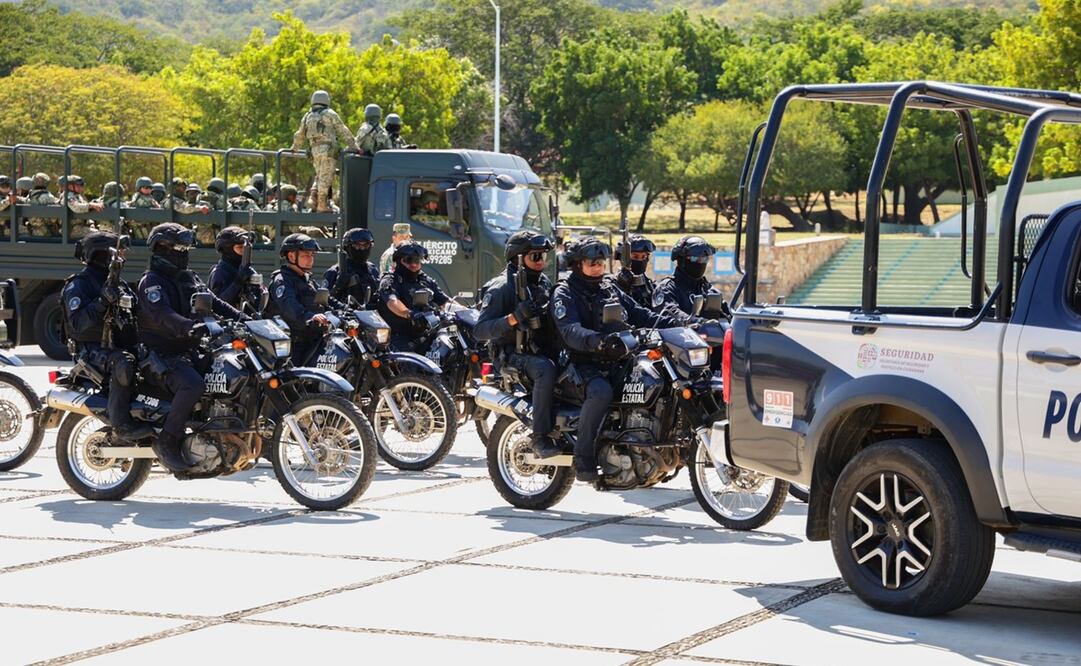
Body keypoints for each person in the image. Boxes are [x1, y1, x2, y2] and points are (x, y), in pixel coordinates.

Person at [551, 237, 693, 482]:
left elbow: (640, 313)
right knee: (601, 392)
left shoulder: (608, 287)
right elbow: (570, 330)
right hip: (579, 364)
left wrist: (682, 324)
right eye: (591, 262)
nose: (597, 267)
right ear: (577, 264)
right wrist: (598, 341)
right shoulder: (565, 292)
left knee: (656, 383)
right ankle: (583, 457)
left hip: (617, 359)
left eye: (600, 262)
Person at [137, 223, 245, 472]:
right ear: (162, 248)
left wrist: (244, 319)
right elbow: (162, 314)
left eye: (187, 248)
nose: (184, 253)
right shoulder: (151, 282)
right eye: (179, 247)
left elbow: (214, 301)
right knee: (192, 385)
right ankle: (168, 441)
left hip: (189, 348)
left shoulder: (187, 276)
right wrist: (189, 326)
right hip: (161, 354)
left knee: (231, 370)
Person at [61, 231, 153, 442]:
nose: (123, 256)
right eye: (119, 251)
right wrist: (102, 302)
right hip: (92, 351)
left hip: (118, 346)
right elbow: (77, 324)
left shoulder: (118, 284)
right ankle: (121, 425)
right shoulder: (79, 284)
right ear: (103, 254)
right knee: (124, 363)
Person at [475, 230, 560, 458]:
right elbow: (480, 330)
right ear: (518, 258)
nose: (541, 261)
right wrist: (513, 318)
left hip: (540, 347)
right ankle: (540, 436)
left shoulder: (542, 282)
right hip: (512, 353)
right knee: (545, 370)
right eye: (535, 256)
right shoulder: (502, 287)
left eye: (543, 256)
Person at [265, 233, 334, 365]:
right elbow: (290, 306)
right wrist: (310, 317)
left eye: (312, 255)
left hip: (312, 338)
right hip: (293, 343)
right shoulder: (282, 280)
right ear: (291, 256)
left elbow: (326, 298)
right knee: (294, 380)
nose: (310, 259)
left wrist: (347, 310)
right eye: (305, 255)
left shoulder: (307, 279)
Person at [376, 241, 452, 351]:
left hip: (427, 334)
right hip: (399, 337)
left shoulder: (424, 280)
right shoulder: (390, 280)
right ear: (399, 260)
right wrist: (411, 314)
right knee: (410, 365)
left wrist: (466, 312)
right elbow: (393, 302)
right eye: (409, 260)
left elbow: (445, 301)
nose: (414, 264)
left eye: (417, 260)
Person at [290, 90, 357, 213]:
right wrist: (355, 146)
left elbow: (299, 134)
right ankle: (321, 205)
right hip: (328, 151)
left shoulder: (307, 116)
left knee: (320, 175)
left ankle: (312, 199)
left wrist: (295, 148)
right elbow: (343, 130)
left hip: (314, 151)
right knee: (326, 178)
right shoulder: (330, 114)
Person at [653, 235, 723, 315]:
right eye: (694, 258)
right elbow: (670, 313)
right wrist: (694, 322)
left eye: (704, 259)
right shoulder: (667, 289)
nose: (700, 262)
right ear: (681, 259)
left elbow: (729, 317)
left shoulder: (709, 291)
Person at [207, 226, 265, 314]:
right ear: (227, 250)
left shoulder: (247, 270)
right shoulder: (219, 273)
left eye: (246, 249)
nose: (244, 252)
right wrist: (238, 281)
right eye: (240, 248)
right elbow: (218, 305)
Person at [324, 228, 379, 308]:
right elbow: (324, 301)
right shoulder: (335, 271)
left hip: (369, 316)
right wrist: (339, 285)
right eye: (357, 245)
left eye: (365, 245)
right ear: (347, 247)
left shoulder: (372, 269)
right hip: (345, 316)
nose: (362, 249)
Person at [614, 234, 658, 309]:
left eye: (643, 257)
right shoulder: (613, 285)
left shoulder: (649, 285)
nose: (640, 261)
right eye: (635, 256)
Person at [58, 174, 103, 239]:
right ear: (70, 186)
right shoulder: (67, 196)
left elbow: (84, 207)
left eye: (82, 185)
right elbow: (76, 207)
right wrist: (91, 205)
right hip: (71, 229)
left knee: (103, 234)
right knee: (99, 235)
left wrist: (91, 223)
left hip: (80, 227)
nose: (81, 188)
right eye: (78, 185)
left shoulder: (78, 196)